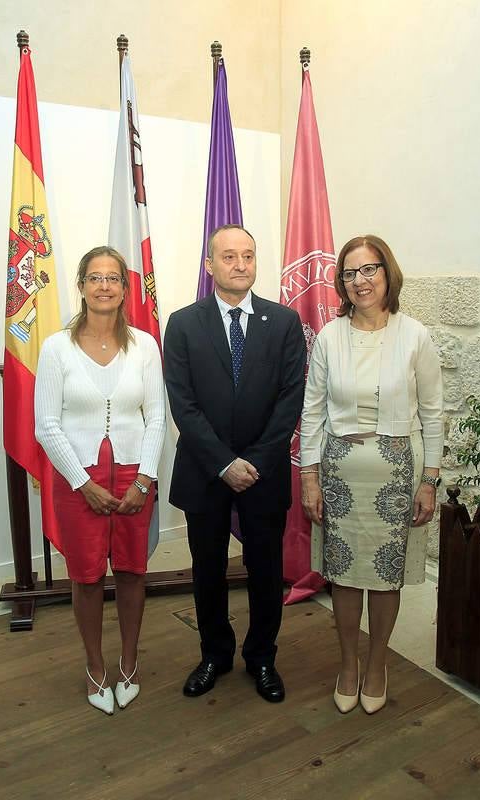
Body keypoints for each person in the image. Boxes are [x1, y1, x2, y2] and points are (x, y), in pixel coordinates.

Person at [299, 234, 443, 715]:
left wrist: (429, 481)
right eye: (349, 273)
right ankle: (347, 663)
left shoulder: (414, 335)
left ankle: (377, 662)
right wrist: (310, 479)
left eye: (369, 269)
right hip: (340, 476)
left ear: (388, 273)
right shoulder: (328, 337)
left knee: (385, 577)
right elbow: (312, 413)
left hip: (398, 475)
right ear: (340, 282)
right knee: (344, 575)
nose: (360, 281)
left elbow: (435, 413)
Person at [163, 224, 306, 703]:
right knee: (207, 570)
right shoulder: (183, 324)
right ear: (210, 265)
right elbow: (183, 405)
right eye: (228, 256)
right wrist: (225, 463)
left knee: (266, 570)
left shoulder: (284, 323)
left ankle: (262, 657)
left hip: (263, 472)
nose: (240, 263)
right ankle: (215, 655)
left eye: (247, 255)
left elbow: (290, 401)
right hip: (205, 470)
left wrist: (256, 461)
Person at [35, 246, 166, 715]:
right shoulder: (56, 348)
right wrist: (82, 483)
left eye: (113, 278)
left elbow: (157, 418)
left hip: (134, 477)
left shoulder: (146, 346)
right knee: (87, 577)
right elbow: (46, 425)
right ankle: (96, 668)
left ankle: (129, 663)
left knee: (132, 572)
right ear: (82, 286)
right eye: (95, 278)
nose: (105, 286)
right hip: (79, 481)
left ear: (125, 289)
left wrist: (145, 481)